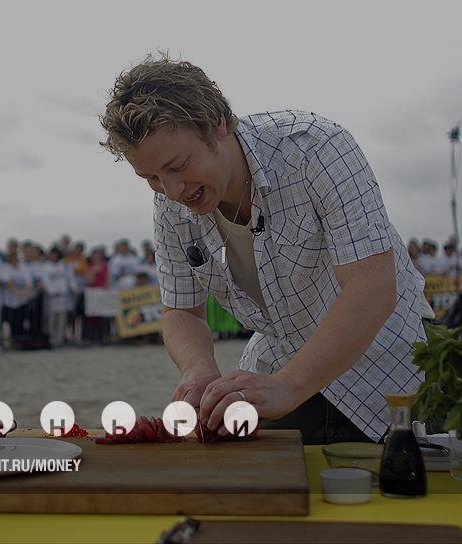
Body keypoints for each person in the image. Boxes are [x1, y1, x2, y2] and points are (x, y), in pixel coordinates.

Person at [100, 56, 430, 444]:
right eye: (151, 178)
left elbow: (372, 286)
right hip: (280, 366)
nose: (172, 190)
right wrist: (198, 369)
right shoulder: (170, 205)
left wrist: (289, 386)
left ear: (218, 125)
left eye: (178, 165)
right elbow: (181, 310)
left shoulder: (316, 149)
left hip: (393, 364)